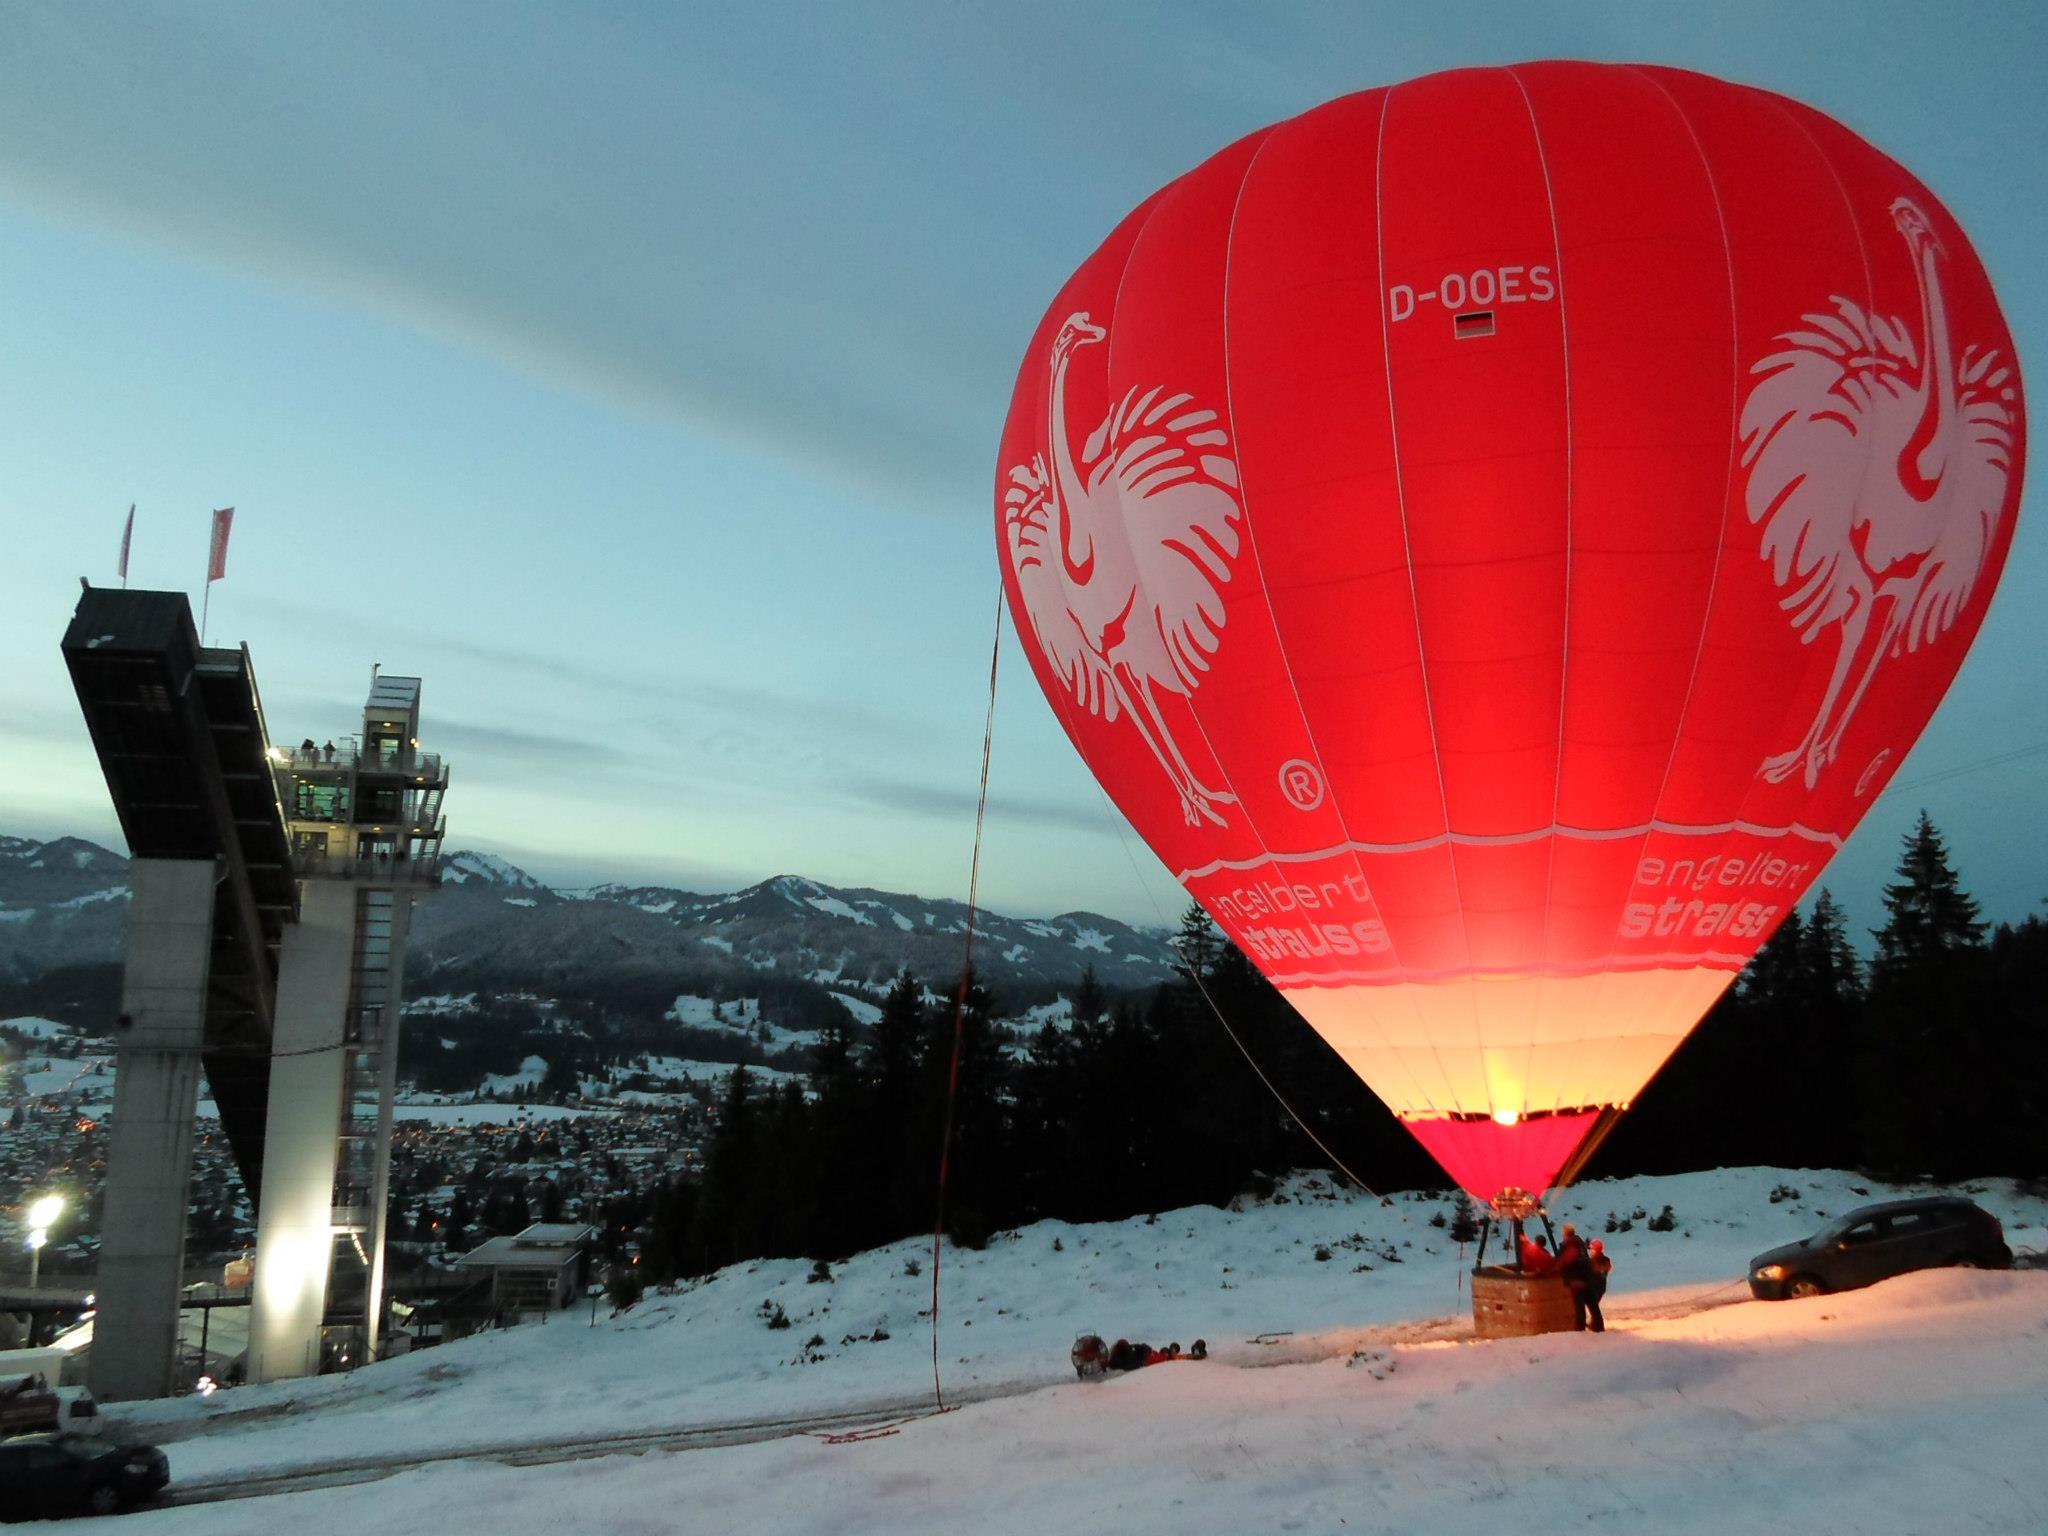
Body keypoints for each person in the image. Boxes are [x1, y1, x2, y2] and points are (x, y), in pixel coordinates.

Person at [1555, 1224, 1594, 1330]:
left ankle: (1580, 1326)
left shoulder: (1571, 1246)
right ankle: (1594, 1324)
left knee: (1579, 1304)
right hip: (1585, 1276)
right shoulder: (1579, 1244)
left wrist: (1557, 1265)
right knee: (1589, 1303)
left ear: (1566, 1234)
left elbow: (1564, 1261)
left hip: (1576, 1277)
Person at [1582, 1239, 1613, 1333]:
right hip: (1601, 1287)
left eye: (1591, 1249)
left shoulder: (1593, 1260)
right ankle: (1594, 1323)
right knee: (1594, 1306)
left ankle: (1596, 1325)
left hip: (1595, 1287)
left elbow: (1592, 1272)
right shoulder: (1605, 1259)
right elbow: (1608, 1269)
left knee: (1593, 1306)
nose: (1590, 1250)